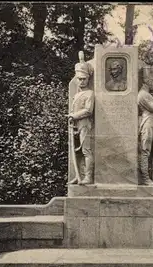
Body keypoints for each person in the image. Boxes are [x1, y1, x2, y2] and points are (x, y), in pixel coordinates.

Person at [68, 54, 94, 185]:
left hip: (84, 124)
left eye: (84, 79)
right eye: (79, 79)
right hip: (75, 125)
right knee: (76, 151)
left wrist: (75, 115)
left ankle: (88, 177)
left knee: (86, 150)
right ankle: (78, 175)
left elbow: (88, 110)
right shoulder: (77, 94)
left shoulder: (90, 93)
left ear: (88, 79)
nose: (82, 81)